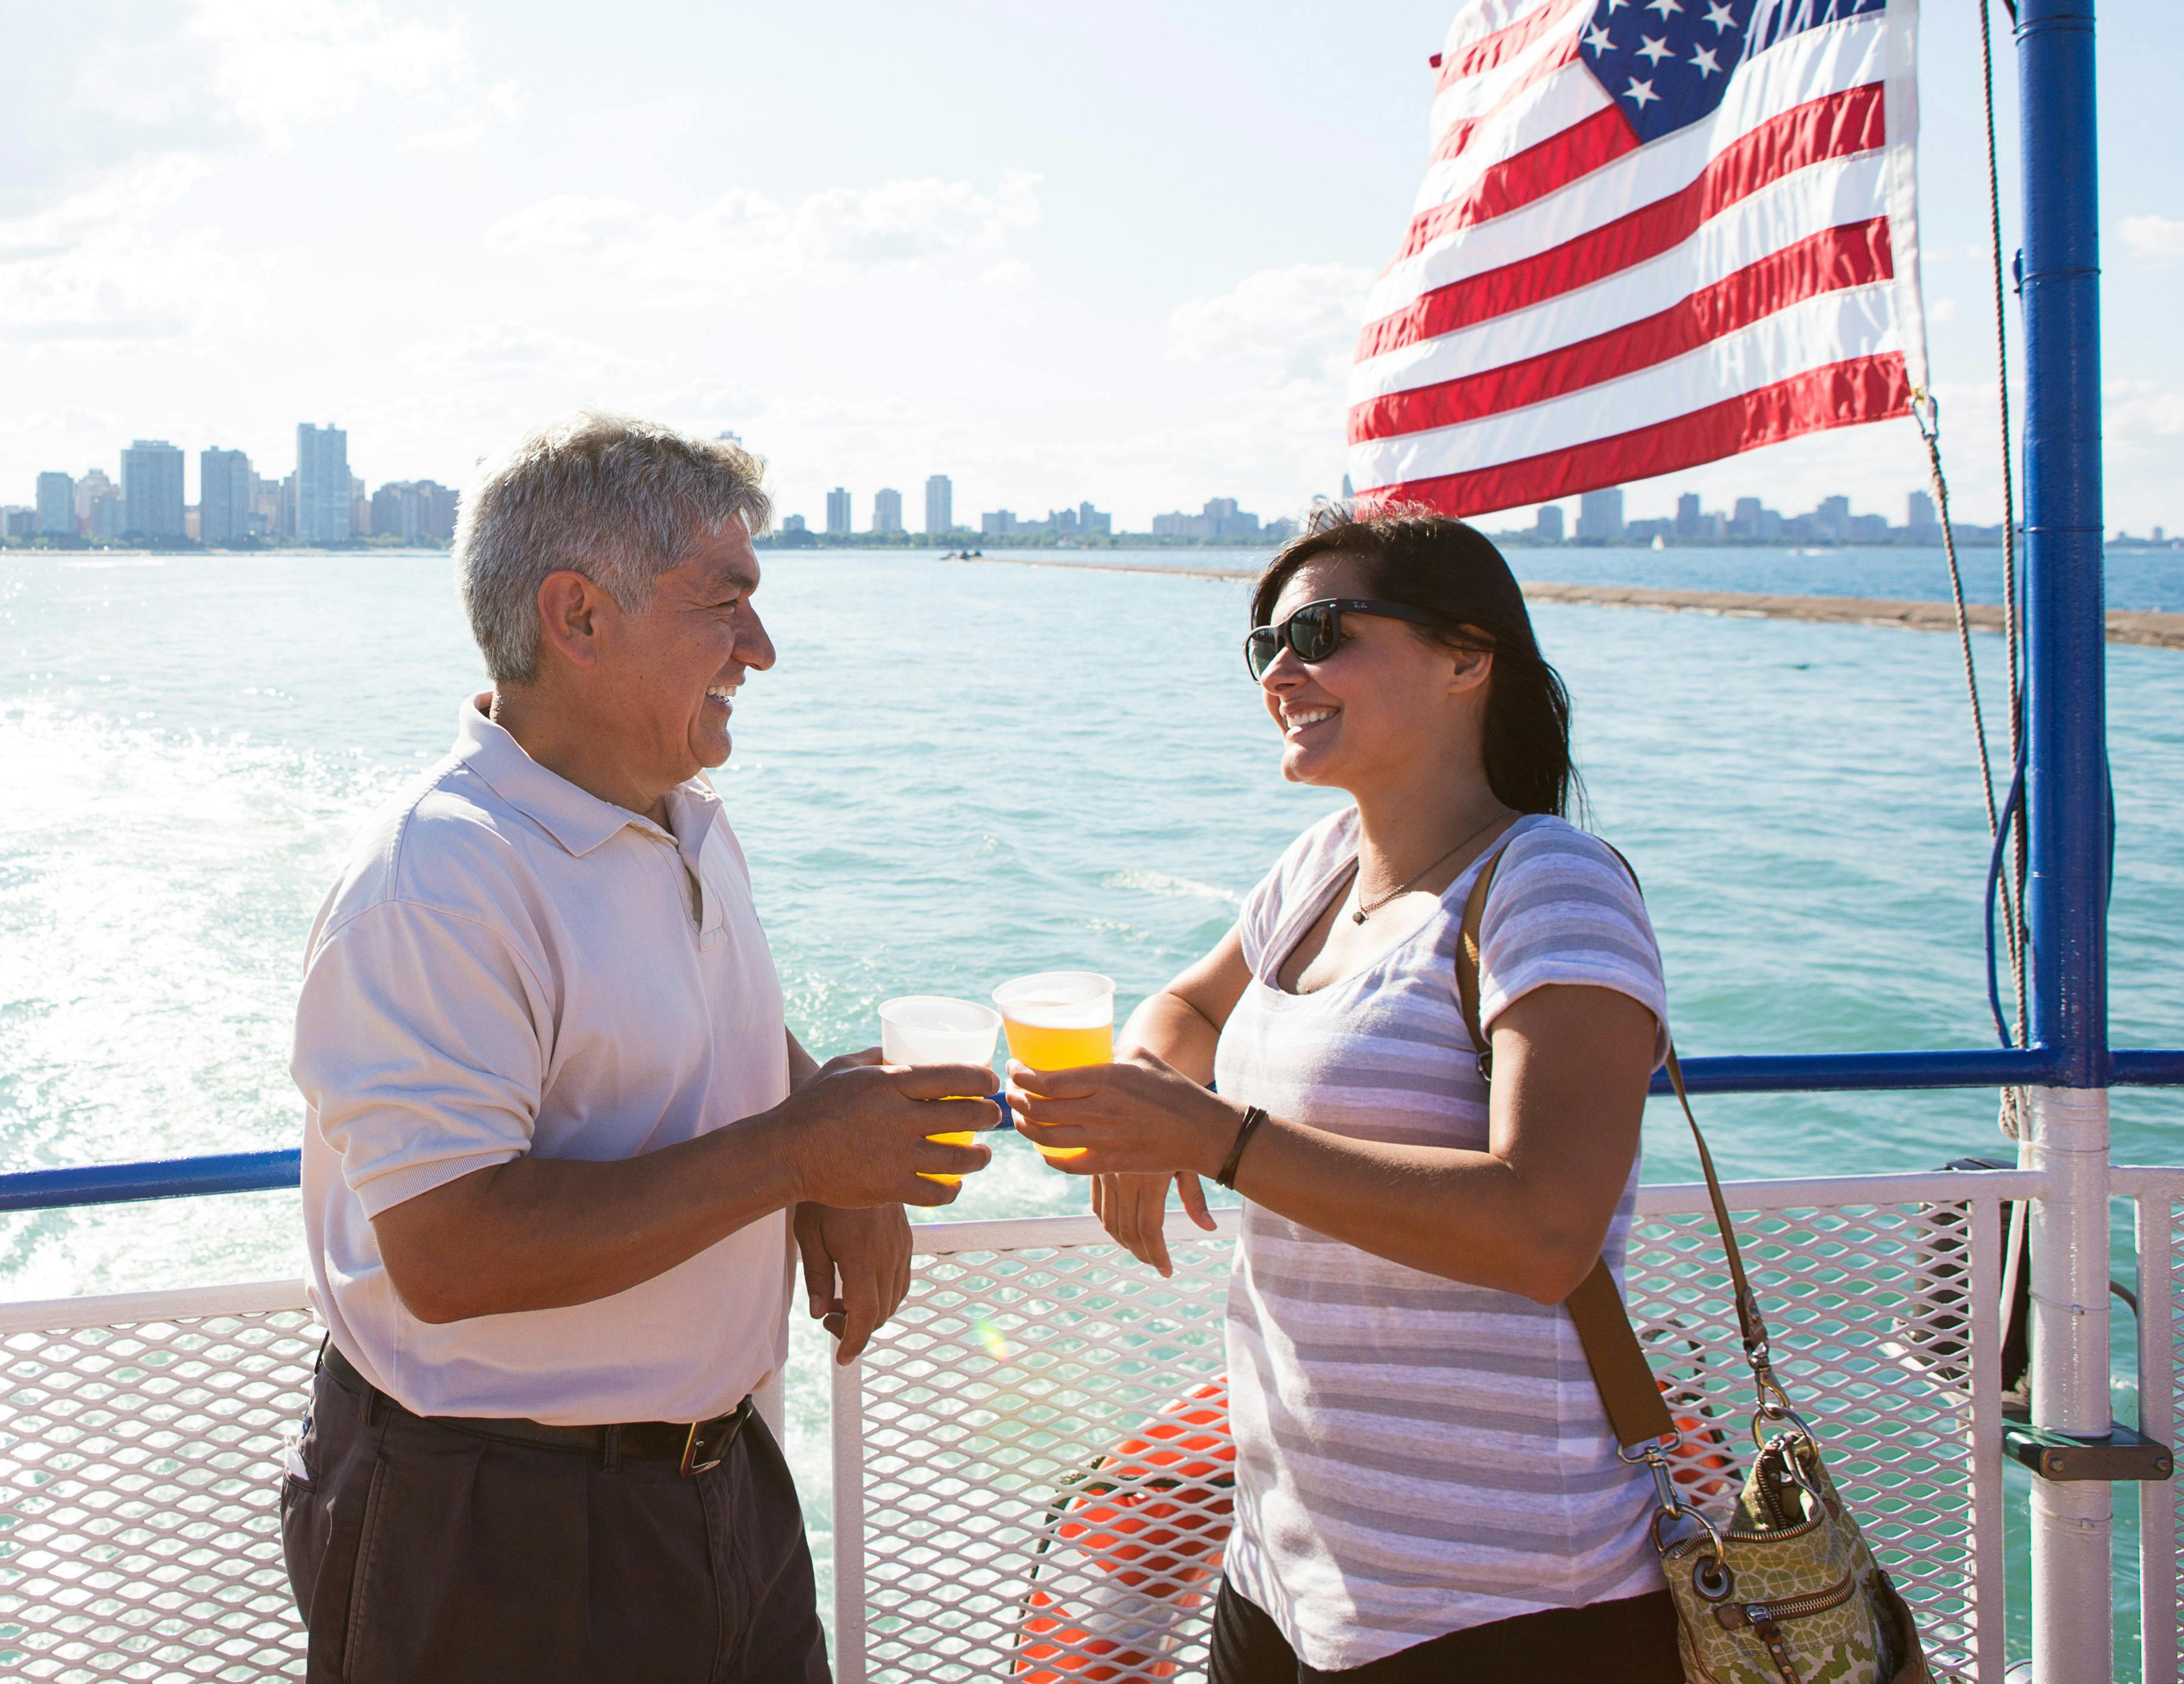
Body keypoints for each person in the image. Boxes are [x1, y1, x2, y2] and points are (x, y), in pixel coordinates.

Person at [284, 413, 999, 1684]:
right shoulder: (438, 875)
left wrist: (827, 1154)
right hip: (499, 1533)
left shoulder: (677, 815)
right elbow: (448, 1251)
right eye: (723, 605)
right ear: (577, 616)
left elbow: (702, 1029)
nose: (760, 650)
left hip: (717, 1489)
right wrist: (792, 1160)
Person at [1010, 504, 1677, 1682]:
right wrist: (1150, 1111)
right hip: (1280, 1568)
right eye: (1262, 643)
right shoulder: (1317, 868)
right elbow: (1186, 1009)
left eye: (1318, 632)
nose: (1279, 671)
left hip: (1500, 1594)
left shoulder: (1549, 888)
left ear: (1467, 657)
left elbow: (1545, 1227)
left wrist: (1215, 1137)